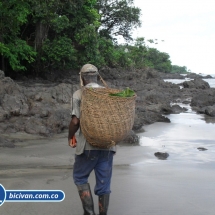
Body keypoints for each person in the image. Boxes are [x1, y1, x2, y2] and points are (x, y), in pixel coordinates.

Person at [68, 64, 116, 215]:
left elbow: (75, 121)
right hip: (108, 146)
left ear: (82, 78)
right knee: (104, 184)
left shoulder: (79, 94)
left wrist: (70, 136)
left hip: (87, 147)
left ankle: (89, 213)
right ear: (97, 76)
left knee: (80, 177)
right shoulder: (108, 93)